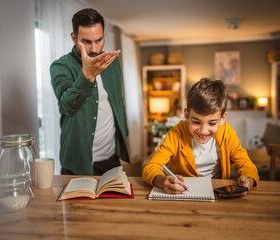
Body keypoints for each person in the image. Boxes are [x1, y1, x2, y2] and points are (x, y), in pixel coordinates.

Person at [142, 78, 259, 196]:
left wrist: (249, 179)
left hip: (217, 193)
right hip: (182, 194)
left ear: (223, 118)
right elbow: (151, 167)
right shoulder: (176, 134)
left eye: (212, 123)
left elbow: (245, 163)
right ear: (187, 115)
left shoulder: (227, 134)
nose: (203, 131)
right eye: (196, 122)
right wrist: (162, 181)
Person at [50, 8, 129, 175]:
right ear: (74, 38)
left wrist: (124, 133)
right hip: (77, 162)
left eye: (99, 40)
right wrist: (87, 76)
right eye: (86, 41)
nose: (94, 49)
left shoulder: (112, 63)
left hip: (111, 159)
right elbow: (67, 106)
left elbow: (117, 101)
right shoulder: (60, 66)